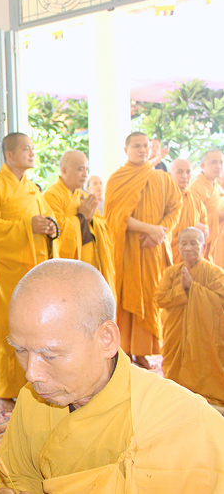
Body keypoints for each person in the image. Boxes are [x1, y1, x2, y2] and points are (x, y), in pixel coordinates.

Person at [0, 259, 224, 494]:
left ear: (106, 339)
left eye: (49, 355)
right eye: (21, 350)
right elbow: (17, 477)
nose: (31, 374)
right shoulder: (31, 400)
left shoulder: (184, 423)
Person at [0, 132, 58, 410]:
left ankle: (31, 383)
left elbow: (48, 219)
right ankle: (3, 390)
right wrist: (26, 227)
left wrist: (51, 228)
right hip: (5, 271)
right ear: (9, 155)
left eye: (32, 148)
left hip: (33, 270)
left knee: (32, 327)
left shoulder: (33, 188)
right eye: (26, 149)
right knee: (7, 326)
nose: (32, 153)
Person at [105, 132, 181, 369]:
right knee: (127, 296)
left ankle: (143, 350)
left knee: (150, 297)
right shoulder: (118, 179)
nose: (142, 150)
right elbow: (115, 217)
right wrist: (150, 229)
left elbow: (175, 208)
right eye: (136, 146)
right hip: (128, 248)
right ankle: (125, 349)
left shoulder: (162, 178)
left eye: (146, 146)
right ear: (126, 150)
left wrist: (160, 232)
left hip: (152, 249)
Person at [155, 227, 224, 408]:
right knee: (174, 377)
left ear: (203, 247)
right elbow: (159, 299)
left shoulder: (215, 273)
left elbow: (221, 301)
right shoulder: (171, 273)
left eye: (194, 244)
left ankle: (207, 390)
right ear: (178, 247)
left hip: (205, 336)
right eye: (183, 244)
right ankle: (177, 390)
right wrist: (182, 289)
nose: (188, 248)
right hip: (176, 335)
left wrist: (193, 288)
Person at [44, 150, 114, 288]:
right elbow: (55, 232)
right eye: (80, 169)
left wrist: (90, 219)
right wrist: (81, 218)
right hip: (68, 269)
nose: (85, 174)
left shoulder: (83, 196)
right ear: (64, 170)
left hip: (89, 263)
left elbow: (104, 226)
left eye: (87, 169)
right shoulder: (52, 196)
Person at [168, 159, 208, 263]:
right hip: (169, 254)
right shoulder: (164, 197)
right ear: (169, 174)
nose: (185, 176)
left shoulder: (195, 198)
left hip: (193, 256)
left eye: (188, 172)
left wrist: (203, 230)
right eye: (180, 172)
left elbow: (204, 223)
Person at [188, 149, 224, 266]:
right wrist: (218, 217)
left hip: (219, 240)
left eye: (221, 162)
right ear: (203, 165)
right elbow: (191, 220)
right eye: (214, 162)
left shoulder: (218, 187)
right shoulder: (195, 187)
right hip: (203, 242)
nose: (218, 166)